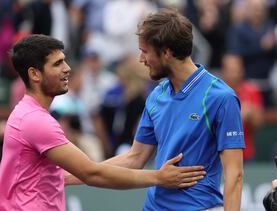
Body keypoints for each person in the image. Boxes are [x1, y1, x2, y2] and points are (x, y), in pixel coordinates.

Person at [0, 34, 206, 211]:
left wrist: (69, 176)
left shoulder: (27, 113)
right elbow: (91, 172)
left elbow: (75, 173)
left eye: (65, 60)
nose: (67, 68)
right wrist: (159, 178)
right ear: (34, 74)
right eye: (58, 63)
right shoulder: (36, 121)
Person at [68, 9, 245, 211]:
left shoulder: (221, 97)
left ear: (167, 52)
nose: (141, 59)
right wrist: (72, 175)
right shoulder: (157, 94)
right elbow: (134, 158)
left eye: (145, 51)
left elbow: (235, 175)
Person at [221, 54, 263, 162]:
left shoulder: (251, 90)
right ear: (223, 71)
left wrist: (251, 115)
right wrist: (239, 115)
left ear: (242, 71)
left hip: (246, 154)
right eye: (230, 70)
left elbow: (258, 125)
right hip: (221, 153)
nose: (233, 74)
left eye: (236, 70)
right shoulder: (215, 92)